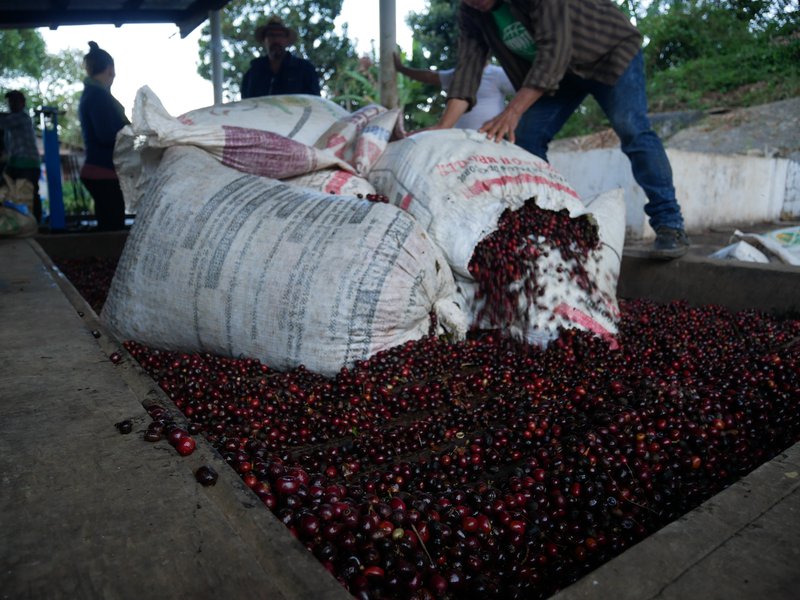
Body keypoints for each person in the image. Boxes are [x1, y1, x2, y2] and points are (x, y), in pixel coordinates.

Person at [432, 0, 690, 259]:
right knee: (526, 139)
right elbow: (467, 68)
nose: (472, 2)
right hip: (559, 77)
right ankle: (547, 228)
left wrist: (512, 111)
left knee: (632, 128)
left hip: (609, 54)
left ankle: (670, 223)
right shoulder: (472, 12)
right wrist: (443, 128)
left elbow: (554, 50)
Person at [78, 41, 128, 231]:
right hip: (103, 171)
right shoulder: (98, 96)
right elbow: (106, 135)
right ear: (109, 69)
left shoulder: (92, 94)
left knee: (108, 227)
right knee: (113, 231)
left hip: (99, 171)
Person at [394, 53, 514, 131]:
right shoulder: (456, 75)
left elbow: (524, 91)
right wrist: (401, 69)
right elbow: (429, 76)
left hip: (488, 138)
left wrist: (510, 114)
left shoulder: (498, 74)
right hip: (456, 140)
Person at [241, 16, 321, 98]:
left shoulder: (305, 69)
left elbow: (315, 103)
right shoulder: (252, 73)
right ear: (264, 40)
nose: (276, 40)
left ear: (286, 40)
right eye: (271, 35)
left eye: (280, 35)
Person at [0, 90, 41, 222]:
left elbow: (4, 122)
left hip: (28, 164)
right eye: (10, 102)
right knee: (8, 190)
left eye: (15, 101)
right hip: (15, 163)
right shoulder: (10, 123)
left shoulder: (22, 118)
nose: (12, 104)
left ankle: (35, 223)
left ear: (23, 103)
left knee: (28, 193)